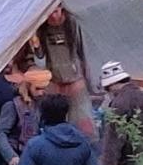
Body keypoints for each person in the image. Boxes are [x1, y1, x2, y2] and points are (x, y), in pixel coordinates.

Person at [30, 8, 96, 138]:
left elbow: (83, 53)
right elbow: (40, 56)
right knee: (54, 119)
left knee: (82, 121)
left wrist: (88, 81)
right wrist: (36, 45)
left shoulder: (72, 24)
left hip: (75, 80)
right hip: (55, 81)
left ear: (61, 9)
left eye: (55, 12)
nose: (53, 17)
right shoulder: (42, 29)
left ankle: (87, 145)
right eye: (49, 14)